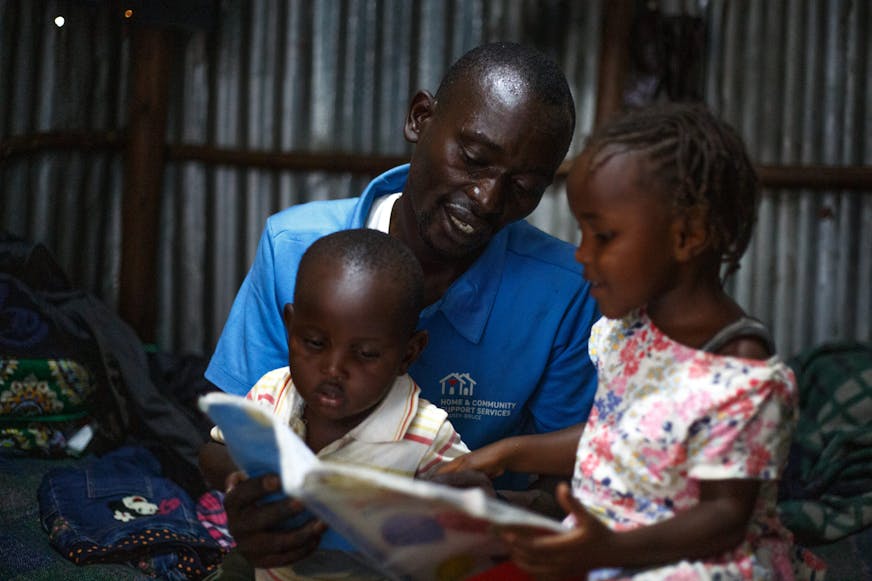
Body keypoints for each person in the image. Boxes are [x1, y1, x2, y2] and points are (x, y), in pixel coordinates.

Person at [439, 103, 826, 580]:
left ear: (687, 236)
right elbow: (620, 437)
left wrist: (609, 549)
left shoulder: (739, 368)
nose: (582, 254)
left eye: (603, 236)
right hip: (606, 549)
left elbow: (725, 518)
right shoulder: (632, 330)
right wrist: (511, 452)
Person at [205, 42, 599, 474]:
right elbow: (221, 443)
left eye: (524, 187)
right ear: (419, 118)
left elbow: (567, 483)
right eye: (472, 159)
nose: (487, 199)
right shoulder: (293, 248)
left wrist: (481, 510)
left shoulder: (567, 292)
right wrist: (250, 503)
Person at [201, 229, 471, 580]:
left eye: (365, 354)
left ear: (408, 354)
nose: (333, 369)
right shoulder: (271, 392)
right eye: (314, 343)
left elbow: (466, 522)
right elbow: (211, 451)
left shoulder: (428, 435)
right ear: (290, 327)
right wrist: (247, 481)